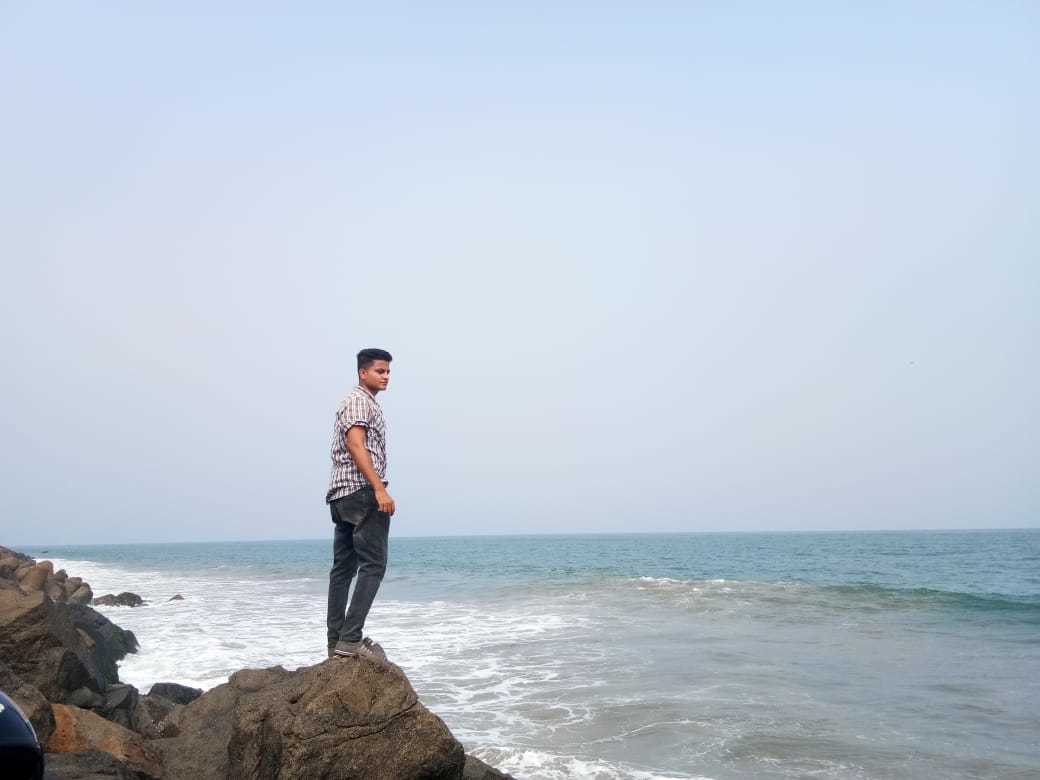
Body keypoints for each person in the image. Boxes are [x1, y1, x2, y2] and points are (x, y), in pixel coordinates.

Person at [325, 348, 396, 659]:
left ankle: (337, 644)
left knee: (343, 570)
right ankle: (350, 639)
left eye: (388, 371)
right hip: (361, 493)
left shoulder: (358, 401)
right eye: (380, 371)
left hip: (342, 495)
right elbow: (356, 444)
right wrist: (379, 489)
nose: (386, 376)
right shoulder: (358, 401)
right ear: (362, 372)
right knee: (374, 565)